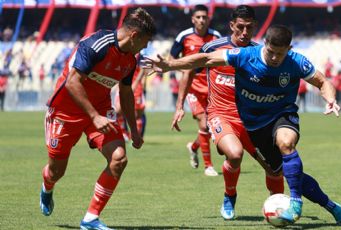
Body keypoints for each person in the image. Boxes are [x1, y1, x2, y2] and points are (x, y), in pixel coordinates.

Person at [146, 25, 341, 226]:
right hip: (255, 127)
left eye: (280, 54)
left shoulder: (297, 62)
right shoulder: (246, 56)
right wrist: (170, 65)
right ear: (265, 44)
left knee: (286, 142)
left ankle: (296, 202)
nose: (274, 58)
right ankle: (333, 206)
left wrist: (331, 99)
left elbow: (322, 82)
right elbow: (207, 58)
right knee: (283, 171)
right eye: (271, 52)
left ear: (289, 50)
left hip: (282, 115)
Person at [39, 8, 155, 229]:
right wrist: (94, 116)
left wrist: (134, 130)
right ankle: (47, 186)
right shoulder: (95, 44)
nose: (146, 47)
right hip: (65, 111)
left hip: (100, 111)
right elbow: (73, 82)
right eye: (146, 41)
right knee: (56, 171)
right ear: (134, 36)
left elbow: (126, 92)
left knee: (119, 158)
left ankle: (90, 218)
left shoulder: (131, 59)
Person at [171, 5, 285, 220]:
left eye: (249, 28)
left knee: (274, 170)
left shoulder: (259, 52)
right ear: (232, 25)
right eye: (240, 27)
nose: (244, 32)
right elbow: (188, 71)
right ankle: (229, 196)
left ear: (255, 27)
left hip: (252, 120)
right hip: (220, 113)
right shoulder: (213, 47)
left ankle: (280, 207)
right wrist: (179, 107)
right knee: (234, 154)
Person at [169, 4, 221, 176]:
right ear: (193, 19)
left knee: (211, 128)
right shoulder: (184, 36)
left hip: (213, 89)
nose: (201, 20)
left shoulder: (216, 37)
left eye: (204, 17)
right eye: (198, 17)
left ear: (208, 18)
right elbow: (171, 60)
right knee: (204, 124)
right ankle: (209, 166)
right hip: (193, 89)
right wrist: (185, 72)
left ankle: (193, 146)